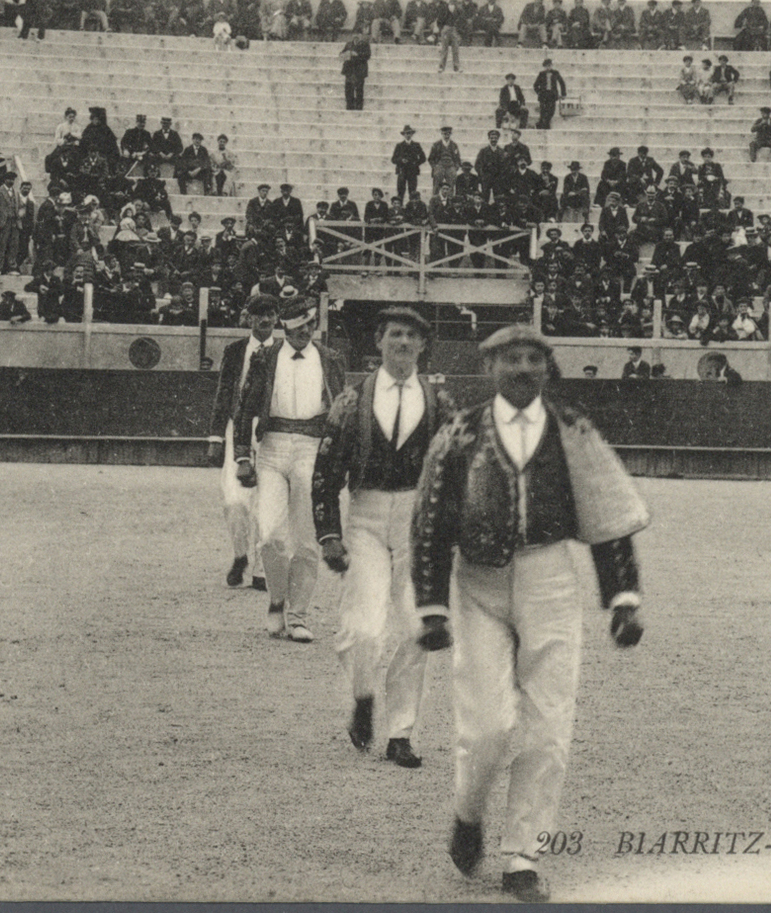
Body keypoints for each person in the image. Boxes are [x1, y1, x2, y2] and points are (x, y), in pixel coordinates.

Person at [413, 325, 647, 903]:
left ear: (548, 367)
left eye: (534, 358)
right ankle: (468, 812)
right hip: (478, 584)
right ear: (489, 367)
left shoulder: (573, 430)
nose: (523, 368)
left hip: (549, 578)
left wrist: (623, 599)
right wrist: (432, 605)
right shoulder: (460, 431)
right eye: (511, 358)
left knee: (549, 725)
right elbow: (432, 521)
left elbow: (606, 515)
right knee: (488, 724)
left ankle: (523, 855)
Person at [311, 307, 457, 769]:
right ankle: (362, 697)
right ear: (379, 341)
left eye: (412, 337)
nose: (403, 344)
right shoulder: (351, 401)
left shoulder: (439, 403)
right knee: (363, 629)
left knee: (419, 626)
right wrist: (329, 534)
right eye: (395, 335)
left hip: (419, 518)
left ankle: (400, 732)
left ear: (422, 346)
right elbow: (325, 474)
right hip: (367, 516)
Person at [233, 298, 348, 641]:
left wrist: (340, 460)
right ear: (285, 327)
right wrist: (242, 456)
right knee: (269, 534)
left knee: (307, 539)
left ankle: (297, 615)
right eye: (298, 327)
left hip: (312, 451)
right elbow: (245, 407)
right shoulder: (265, 358)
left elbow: (342, 413)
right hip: (271, 448)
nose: (305, 332)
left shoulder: (331, 359)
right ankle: (276, 600)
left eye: (310, 325)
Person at [209, 292, 282, 589]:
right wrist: (215, 436)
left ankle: (262, 569)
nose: (265, 320)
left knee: (269, 498)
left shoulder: (284, 351)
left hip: (271, 431)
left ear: (277, 318)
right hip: (235, 427)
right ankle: (241, 556)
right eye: (259, 314)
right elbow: (223, 393)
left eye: (271, 314)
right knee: (236, 500)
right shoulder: (235, 350)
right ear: (248, 317)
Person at [533, 58, 567, 131]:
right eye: (546, 66)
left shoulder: (555, 73)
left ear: (551, 65)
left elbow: (562, 83)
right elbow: (535, 85)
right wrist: (539, 92)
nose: (548, 67)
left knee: (551, 111)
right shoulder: (541, 74)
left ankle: (542, 124)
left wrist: (563, 93)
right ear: (544, 67)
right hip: (543, 96)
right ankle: (544, 125)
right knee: (543, 111)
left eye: (549, 65)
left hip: (552, 95)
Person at [341, 31, 372, 111]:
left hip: (359, 69)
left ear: (361, 35)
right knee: (348, 88)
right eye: (354, 34)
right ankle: (349, 105)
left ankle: (359, 106)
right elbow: (342, 53)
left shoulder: (365, 44)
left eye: (358, 34)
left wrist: (357, 54)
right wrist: (344, 54)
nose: (356, 36)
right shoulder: (348, 44)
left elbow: (367, 55)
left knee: (359, 89)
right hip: (349, 69)